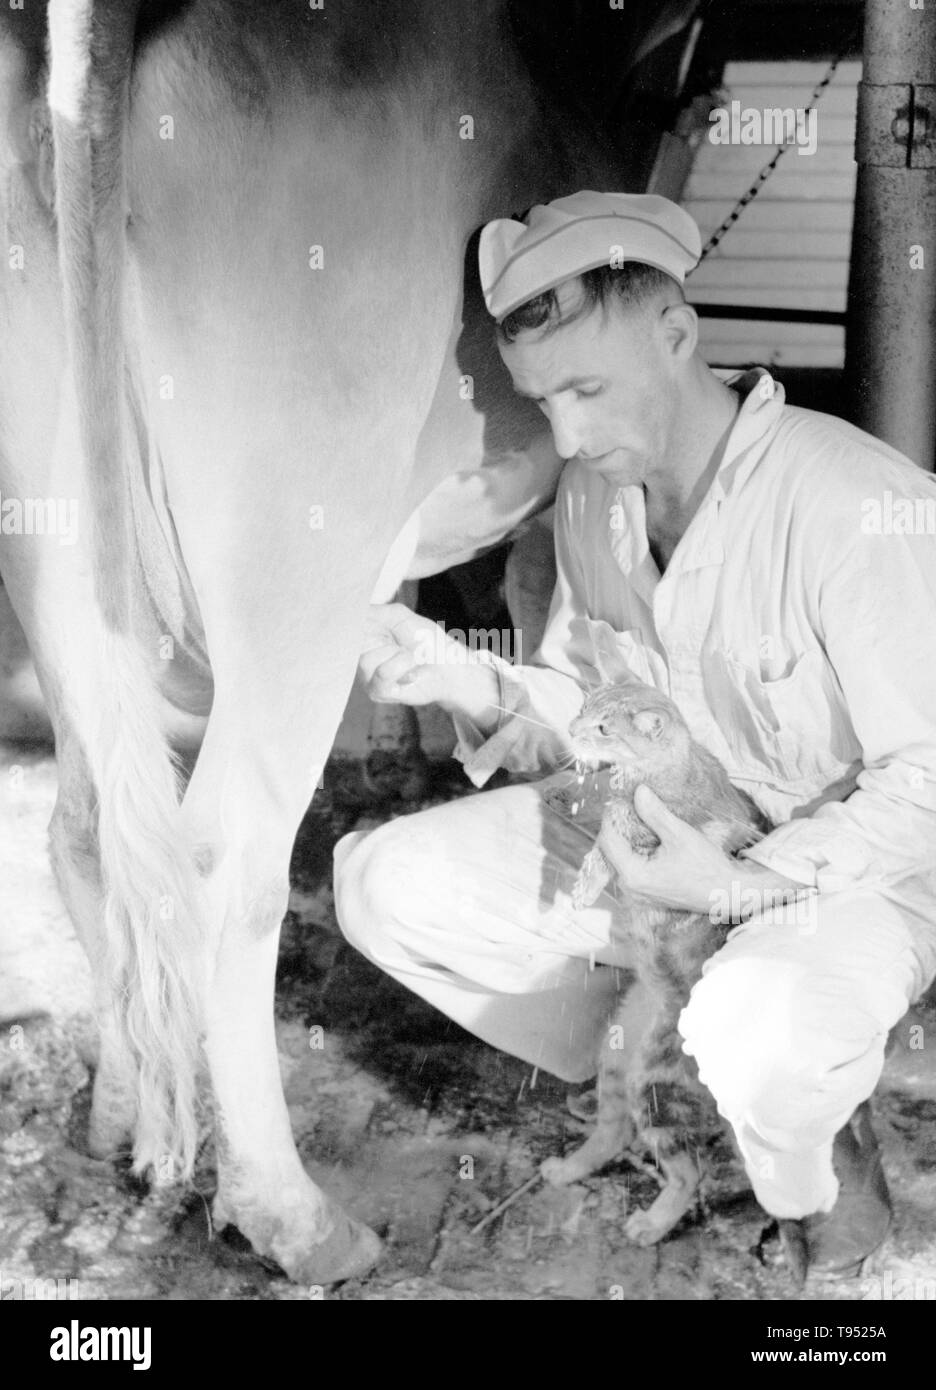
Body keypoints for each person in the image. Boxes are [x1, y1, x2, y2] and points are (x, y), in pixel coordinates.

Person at [333, 190, 936, 1277]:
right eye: (539, 397)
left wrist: (741, 886)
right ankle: (658, 1060)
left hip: (844, 876)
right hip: (658, 848)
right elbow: (583, 707)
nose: (564, 434)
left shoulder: (851, 498)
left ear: (677, 334)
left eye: (587, 389)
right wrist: (463, 679)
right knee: (382, 884)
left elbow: (930, 778)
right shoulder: (590, 499)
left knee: (765, 1031)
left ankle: (816, 1166)